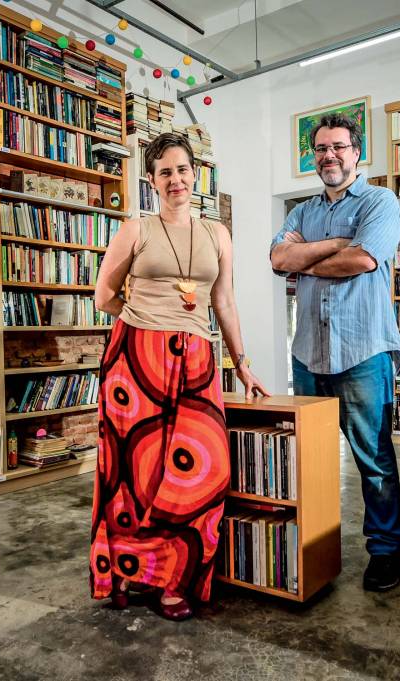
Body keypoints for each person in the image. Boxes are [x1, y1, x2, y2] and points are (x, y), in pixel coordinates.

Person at [90, 132, 268, 620]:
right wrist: (144, 320)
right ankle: (129, 573)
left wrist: (243, 364)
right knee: (133, 472)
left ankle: (172, 576)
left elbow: (224, 302)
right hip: (135, 358)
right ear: (151, 180)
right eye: (165, 172)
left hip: (196, 357)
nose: (175, 179)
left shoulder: (217, 234)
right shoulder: (136, 230)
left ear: (195, 175)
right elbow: (103, 294)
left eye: (183, 170)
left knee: (204, 470)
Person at [270, 113, 400, 592]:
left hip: (363, 351)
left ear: (356, 152)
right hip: (308, 353)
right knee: (309, 458)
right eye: (321, 148)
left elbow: (364, 258)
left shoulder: (380, 201)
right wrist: (335, 247)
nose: (329, 155)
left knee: (374, 459)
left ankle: (386, 551)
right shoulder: (301, 212)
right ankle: (316, 551)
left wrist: (311, 258)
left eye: (339, 147)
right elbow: (278, 259)